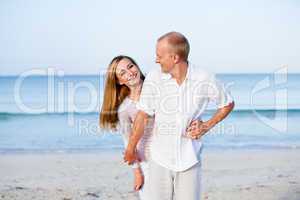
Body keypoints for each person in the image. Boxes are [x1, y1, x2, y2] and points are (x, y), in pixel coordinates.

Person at [124, 32, 235, 200]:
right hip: (159, 158)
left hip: (190, 158)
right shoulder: (154, 77)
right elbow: (143, 115)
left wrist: (206, 126)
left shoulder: (204, 78)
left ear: (174, 57)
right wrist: (130, 148)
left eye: (159, 56)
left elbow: (227, 104)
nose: (156, 60)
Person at [99, 55, 154, 200]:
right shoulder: (125, 109)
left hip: (169, 155)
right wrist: (137, 173)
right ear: (119, 81)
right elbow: (127, 141)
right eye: (122, 73)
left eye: (130, 66)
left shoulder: (157, 89)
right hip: (147, 161)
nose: (129, 73)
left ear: (137, 66)